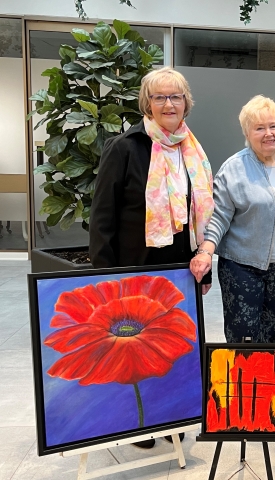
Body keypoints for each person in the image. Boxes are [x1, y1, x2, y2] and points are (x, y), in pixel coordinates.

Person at [89, 66, 215, 448]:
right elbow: (102, 216)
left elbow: (201, 213)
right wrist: (104, 276)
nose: (168, 104)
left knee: (174, 342)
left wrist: (204, 266)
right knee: (135, 349)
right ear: (147, 103)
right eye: (159, 97)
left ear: (186, 103)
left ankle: (171, 414)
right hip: (135, 269)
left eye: (175, 96)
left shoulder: (192, 148)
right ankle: (138, 422)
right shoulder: (125, 147)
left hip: (180, 269)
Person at [190, 95, 275, 344]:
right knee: (243, 337)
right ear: (247, 133)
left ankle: (269, 383)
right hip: (242, 267)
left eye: (274, 126)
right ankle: (241, 384)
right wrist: (205, 250)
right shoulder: (233, 168)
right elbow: (219, 216)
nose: (269, 133)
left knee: (274, 334)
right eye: (259, 128)